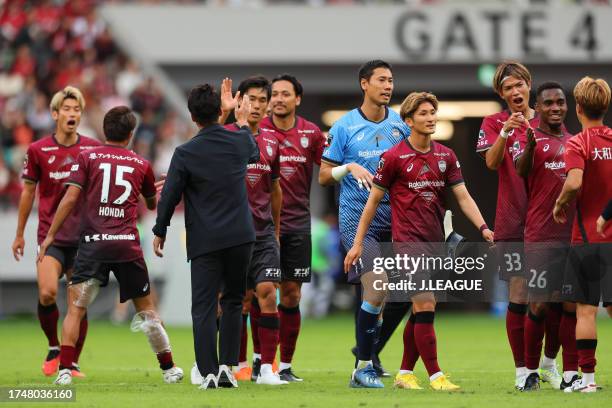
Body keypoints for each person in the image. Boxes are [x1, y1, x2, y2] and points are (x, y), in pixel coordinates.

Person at [345, 92, 494, 391]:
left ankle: (404, 373)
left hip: (435, 242)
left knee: (423, 309)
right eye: (424, 113)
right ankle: (437, 375)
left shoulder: (446, 156)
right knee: (424, 303)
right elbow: (372, 203)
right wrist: (358, 243)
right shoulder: (393, 157)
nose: (431, 118)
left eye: (433, 112)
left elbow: (463, 196)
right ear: (409, 121)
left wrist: (483, 227)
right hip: (406, 243)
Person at [37, 106, 183, 386]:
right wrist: (151, 193)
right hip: (127, 245)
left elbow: (69, 199)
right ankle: (169, 368)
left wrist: (50, 235)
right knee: (148, 311)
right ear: (130, 134)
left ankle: (65, 370)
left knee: (76, 309)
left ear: (105, 131)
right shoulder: (141, 163)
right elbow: (152, 204)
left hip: (93, 245)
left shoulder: (87, 156)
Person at [152, 84, 259, 390]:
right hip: (241, 236)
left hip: (205, 240)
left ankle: (209, 372)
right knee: (235, 301)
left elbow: (169, 195)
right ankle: (228, 368)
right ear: (218, 111)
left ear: (192, 116)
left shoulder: (185, 152)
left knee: (203, 307)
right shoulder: (239, 139)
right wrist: (239, 120)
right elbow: (253, 151)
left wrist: (160, 230)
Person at [319, 60, 411, 388]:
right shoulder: (344, 127)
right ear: (364, 84)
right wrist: (349, 168)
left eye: (391, 80)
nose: (388, 86)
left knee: (404, 295)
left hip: (396, 221)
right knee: (376, 286)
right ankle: (362, 367)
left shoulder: (402, 127)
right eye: (381, 80)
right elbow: (324, 175)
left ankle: (368, 351)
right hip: (357, 221)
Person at [476, 61, 560, 389]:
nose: (515, 91)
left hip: (547, 222)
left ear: (529, 86)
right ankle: (523, 371)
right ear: (501, 93)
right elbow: (492, 162)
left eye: (519, 85)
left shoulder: (546, 120)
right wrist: (507, 132)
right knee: (520, 292)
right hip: (511, 221)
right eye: (508, 87)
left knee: (550, 296)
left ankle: (550, 363)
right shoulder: (494, 122)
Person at [12, 86, 100, 378]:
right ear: (54, 114)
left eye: (76, 109)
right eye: (67, 109)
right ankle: (53, 346)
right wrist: (20, 233)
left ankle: (71, 361)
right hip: (51, 237)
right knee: (48, 293)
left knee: (78, 303)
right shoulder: (38, 150)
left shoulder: (91, 148)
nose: (72, 114)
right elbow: (27, 193)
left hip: (83, 238)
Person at [258, 74, 326, 382]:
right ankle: (261, 362)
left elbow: (328, 170)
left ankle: (284, 366)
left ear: (297, 99)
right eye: (275, 94)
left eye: (286, 94)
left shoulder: (311, 134)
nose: (279, 99)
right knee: (261, 292)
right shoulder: (257, 130)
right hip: (261, 223)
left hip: (297, 223)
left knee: (291, 294)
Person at [514, 82, 577, 391]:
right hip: (540, 236)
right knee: (538, 304)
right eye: (549, 102)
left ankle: (560, 369)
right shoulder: (531, 138)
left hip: (573, 236)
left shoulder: (575, 142)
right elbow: (521, 170)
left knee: (567, 306)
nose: (555, 107)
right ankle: (528, 372)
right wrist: (528, 146)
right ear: (536, 107)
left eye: (561, 102)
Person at [224, 76, 286, 385]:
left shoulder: (273, 141)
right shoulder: (224, 137)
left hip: (263, 234)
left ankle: (266, 369)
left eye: (263, 100)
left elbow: (275, 190)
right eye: (252, 99)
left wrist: (275, 229)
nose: (258, 106)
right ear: (239, 101)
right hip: (232, 234)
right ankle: (238, 363)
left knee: (267, 295)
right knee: (240, 301)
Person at [553, 76, 612, 393]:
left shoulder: (579, 143)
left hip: (588, 239)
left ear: (578, 108)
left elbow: (574, 182)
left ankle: (586, 381)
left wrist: (560, 202)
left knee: (586, 310)